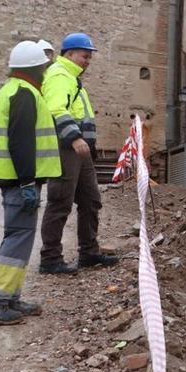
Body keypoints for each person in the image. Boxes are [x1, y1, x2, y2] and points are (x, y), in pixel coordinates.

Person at [0, 41, 62, 324]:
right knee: (18, 237)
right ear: (35, 69)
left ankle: (11, 297)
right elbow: (21, 141)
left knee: (19, 237)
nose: (46, 71)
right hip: (19, 180)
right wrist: (27, 182)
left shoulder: (14, 90)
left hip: (15, 179)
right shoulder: (24, 94)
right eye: (44, 67)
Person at [38, 32, 118, 274]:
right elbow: (56, 109)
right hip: (67, 148)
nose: (88, 61)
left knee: (90, 199)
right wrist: (74, 138)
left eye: (89, 57)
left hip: (80, 152)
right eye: (85, 56)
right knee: (60, 201)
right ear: (69, 54)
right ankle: (50, 259)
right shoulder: (59, 76)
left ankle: (89, 253)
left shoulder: (73, 79)